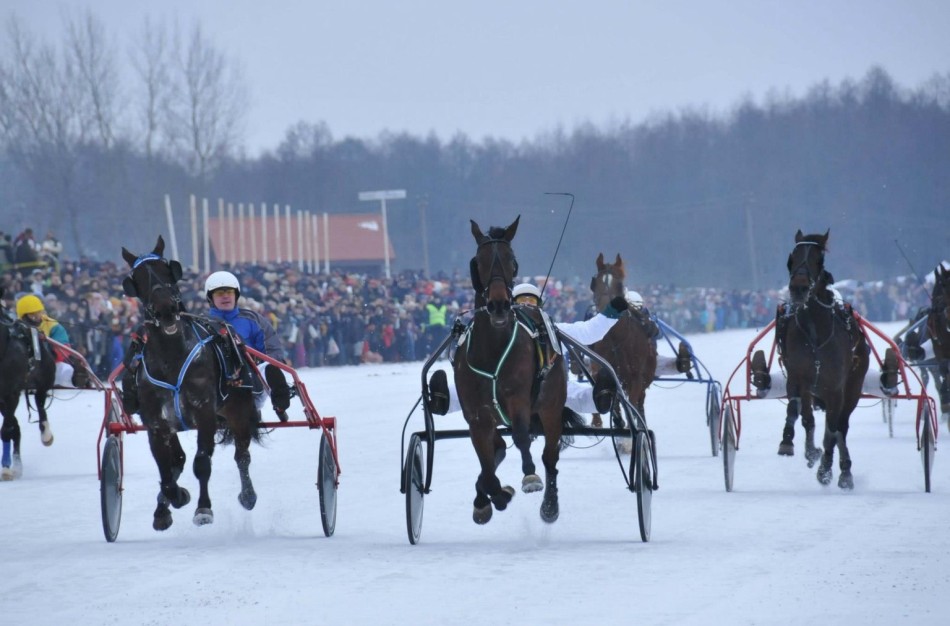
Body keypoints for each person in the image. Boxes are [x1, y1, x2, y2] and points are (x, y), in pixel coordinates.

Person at [428, 282, 630, 417]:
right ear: (511, 306)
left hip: (551, 387)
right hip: (504, 389)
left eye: (531, 301)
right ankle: (443, 399)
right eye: (520, 302)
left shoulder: (555, 328)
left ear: (540, 306)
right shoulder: (501, 336)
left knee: (577, 397)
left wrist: (612, 312)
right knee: (471, 391)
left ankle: (602, 397)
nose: (526, 305)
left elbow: (589, 332)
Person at [205, 271, 294, 421]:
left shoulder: (252, 319)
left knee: (271, 367)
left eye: (229, 292)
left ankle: (280, 405)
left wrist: (271, 363)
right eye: (220, 293)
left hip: (252, 379)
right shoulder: (202, 323)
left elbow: (272, 347)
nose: (226, 296)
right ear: (211, 298)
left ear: (236, 295)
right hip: (216, 382)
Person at [15, 294, 86, 388]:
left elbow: (64, 346)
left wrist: (50, 358)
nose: (37, 316)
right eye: (32, 314)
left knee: (66, 369)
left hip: (50, 363)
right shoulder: (16, 327)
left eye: (38, 312)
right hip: (24, 366)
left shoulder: (53, 326)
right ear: (23, 315)